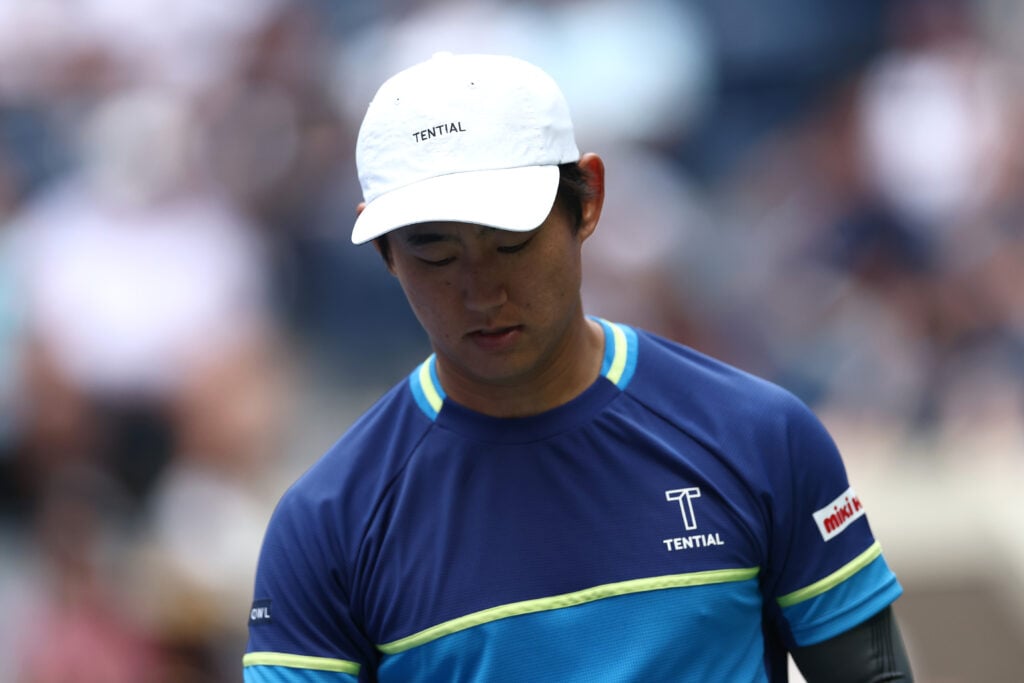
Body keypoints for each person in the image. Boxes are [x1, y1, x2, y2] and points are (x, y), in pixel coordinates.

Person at [242, 52, 914, 682]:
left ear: (587, 199)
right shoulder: (325, 524)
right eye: (434, 253)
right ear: (383, 249)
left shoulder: (762, 437)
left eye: (512, 242)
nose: (481, 291)